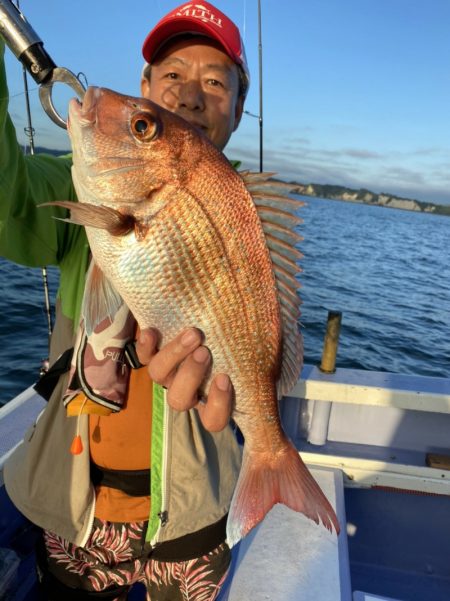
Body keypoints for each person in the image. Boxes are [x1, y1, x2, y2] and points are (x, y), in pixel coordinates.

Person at [0, 2, 250, 599]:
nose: (190, 96)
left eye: (216, 82)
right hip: (77, 510)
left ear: (239, 111)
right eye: (172, 76)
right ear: (145, 88)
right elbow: (8, 203)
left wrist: (244, 400)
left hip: (196, 520)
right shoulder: (77, 185)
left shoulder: (249, 230)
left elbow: (258, 346)